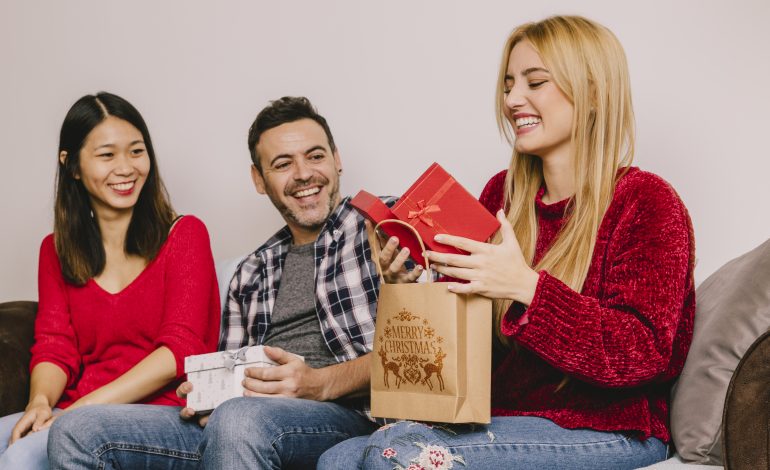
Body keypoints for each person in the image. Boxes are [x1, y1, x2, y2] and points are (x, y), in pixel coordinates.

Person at [318, 15, 696, 470]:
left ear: (594, 93)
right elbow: (473, 344)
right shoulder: (502, 196)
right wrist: (410, 283)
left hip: (610, 428)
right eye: (509, 84)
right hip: (504, 418)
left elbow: (644, 353)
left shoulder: (646, 200)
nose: (513, 100)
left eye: (536, 82)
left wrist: (529, 289)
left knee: (394, 453)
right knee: (338, 459)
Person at [48, 96, 412, 469]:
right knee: (78, 430)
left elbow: (437, 345)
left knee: (239, 419)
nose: (303, 174)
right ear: (259, 179)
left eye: (315, 156)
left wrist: (320, 383)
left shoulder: (385, 225)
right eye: (283, 164)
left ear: (337, 159)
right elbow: (230, 372)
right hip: (249, 419)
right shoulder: (252, 272)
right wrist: (208, 391)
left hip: (350, 415)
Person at [0, 92, 221, 469]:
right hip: (77, 410)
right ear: (71, 166)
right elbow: (55, 347)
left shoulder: (185, 235)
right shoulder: (55, 250)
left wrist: (81, 410)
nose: (126, 168)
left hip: (164, 416)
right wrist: (39, 402)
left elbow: (179, 352)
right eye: (107, 155)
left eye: (136, 151)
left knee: (23, 457)